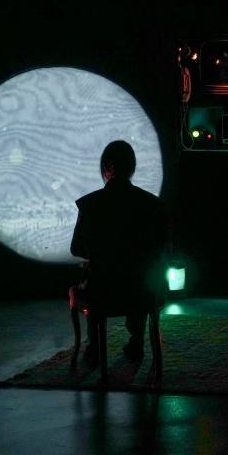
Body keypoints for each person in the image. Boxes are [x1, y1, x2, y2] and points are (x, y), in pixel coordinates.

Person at [70, 140, 168, 364]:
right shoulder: (152, 205)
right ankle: (136, 342)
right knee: (142, 277)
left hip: (102, 291)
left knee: (91, 282)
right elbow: (161, 248)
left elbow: (76, 248)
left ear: (106, 166)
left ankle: (94, 347)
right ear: (132, 167)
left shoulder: (90, 204)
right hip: (143, 292)